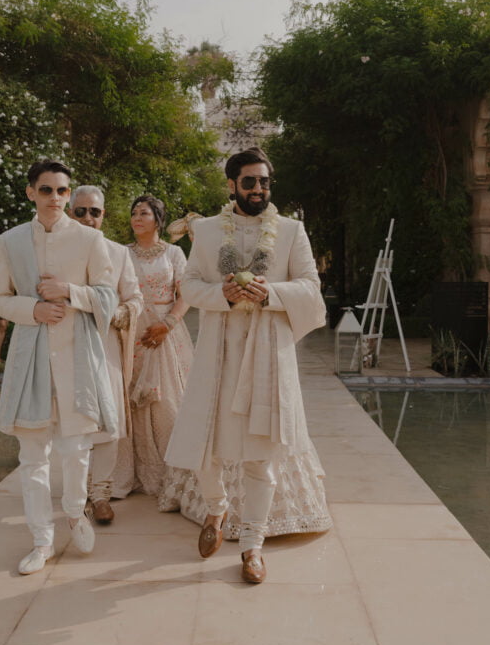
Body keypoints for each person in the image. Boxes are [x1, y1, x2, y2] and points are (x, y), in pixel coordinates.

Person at [165, 146, 332, 584]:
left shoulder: (292, 231)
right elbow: (189, 285)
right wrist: (221, 293)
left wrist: (271, 294)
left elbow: (311, 289)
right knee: (207, 448)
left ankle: (253, 547)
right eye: (250, 181)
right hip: (218, 349)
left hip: (266, 351)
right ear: (232, 185)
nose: (258, 189)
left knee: (262, 457)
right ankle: (217, 511)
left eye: (264, 182)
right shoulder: (204, 231)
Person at [0, 160, 118, 575]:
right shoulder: (10, 241)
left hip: (78, 355)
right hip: (30, 357)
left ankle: (74, 512)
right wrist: (34, 308)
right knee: (33, 457)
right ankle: (41, 541)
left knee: (76, 451)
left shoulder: (88, 240)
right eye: (46, 190)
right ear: (31, 193)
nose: (56, 199)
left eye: (62, 191)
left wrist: (69, 291)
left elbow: (107, 297)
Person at [62, 185, 143, 524]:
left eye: (94, 211)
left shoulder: (118, 253)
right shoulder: (56, 251)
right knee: (71, 422)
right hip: (65, 345)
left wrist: (118, 314)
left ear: (103, 214)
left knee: (108, 422)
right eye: (80, 211)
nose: (88, 218)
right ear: (70, 213)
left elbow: (135, 298)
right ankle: (75, 494)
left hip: (107, 345)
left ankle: (101, 494)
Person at [127, 194, 194, 505]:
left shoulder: (174, 254)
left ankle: (174, 474)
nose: (137, 217)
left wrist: (167, 323)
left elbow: (187, 294)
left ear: (158, 219)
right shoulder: (121, 254)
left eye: (144, 212)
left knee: (167, 402)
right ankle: (137, 473)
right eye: (134, 213)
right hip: (132, 334)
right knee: (133, 403)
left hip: (166, 334)